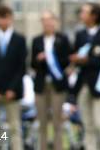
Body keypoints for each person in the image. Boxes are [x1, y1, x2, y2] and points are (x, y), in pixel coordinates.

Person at [70, 2, 100, 150]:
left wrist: (88, 60)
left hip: (99, 86)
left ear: (94, 16)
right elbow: (76, 58)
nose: (81, 15)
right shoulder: (80, 35)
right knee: (87, 124)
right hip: (83, 84)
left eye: (85, 12)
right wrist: (75, 60)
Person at [0, 5, 27, 150]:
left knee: (14, 126)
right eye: (0, 18)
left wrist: (12, 88)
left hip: (12, 91)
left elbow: (21, 67)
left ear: (11, 19)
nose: (3, 21)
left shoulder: (19, 40)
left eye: (6, 17)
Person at [31, 10, 71, 150]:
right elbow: (32, 64)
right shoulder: (36, 40)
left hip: (57, 85)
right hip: (41, 85)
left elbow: (67, 61)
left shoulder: (63, 39)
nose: (47, 22)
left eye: (49, 19)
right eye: (44, 20)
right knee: (42, 123)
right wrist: (39, 59)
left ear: (54, 21)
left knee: (57, 122)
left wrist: (53, 58)